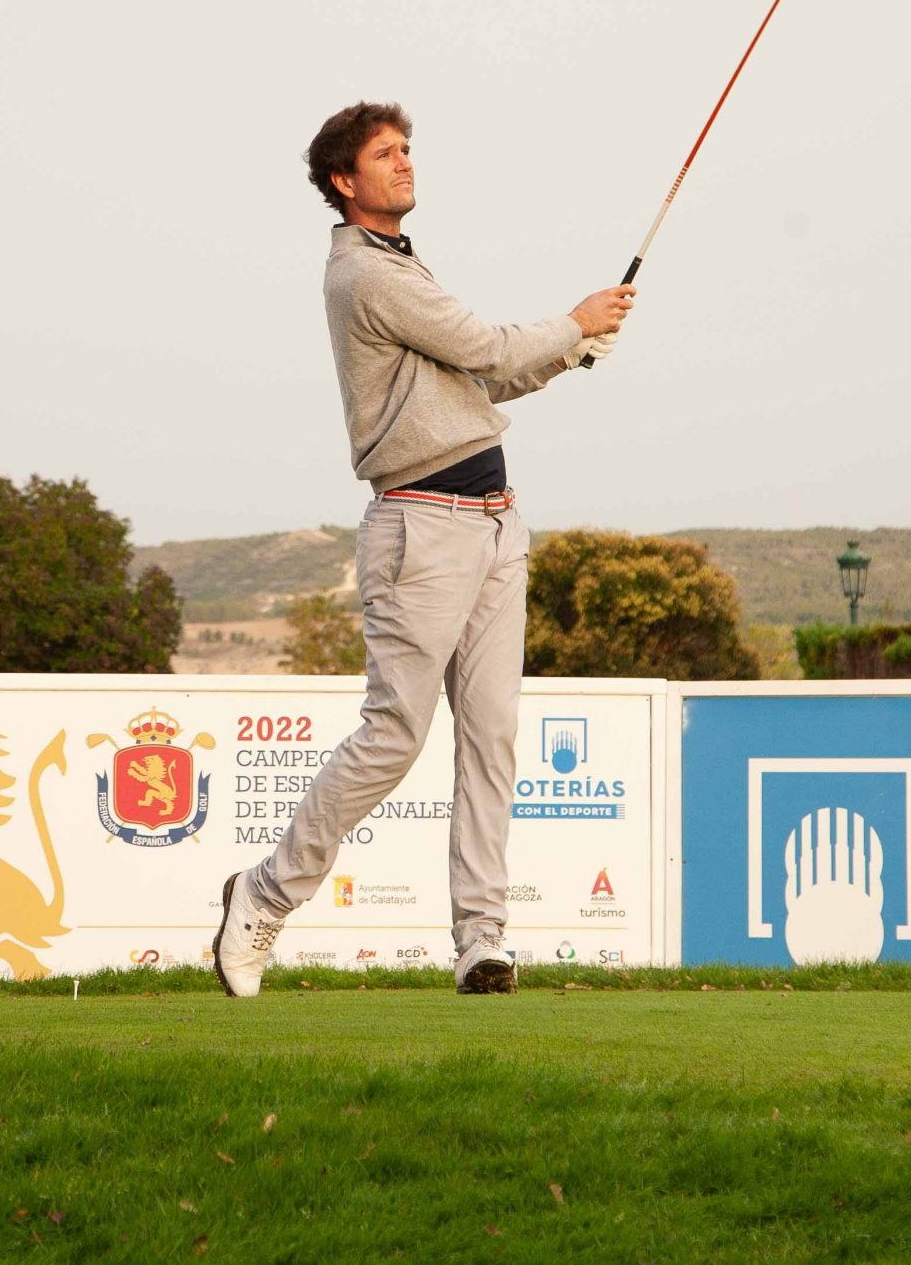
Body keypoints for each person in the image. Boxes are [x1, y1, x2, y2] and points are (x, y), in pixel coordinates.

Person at [214, 100, 634, 997]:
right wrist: (574, 319)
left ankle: (481, 938)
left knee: (490, 736)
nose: (405, 162)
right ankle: (263, 893)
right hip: (421, 524)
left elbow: (480, 377)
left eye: (407, 148)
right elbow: (486, 345)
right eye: (385, 153)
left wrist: (572, 348)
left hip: (494, 521)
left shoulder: (402, 263)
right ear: (344, 180)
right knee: (395, 733)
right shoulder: (366, 273)